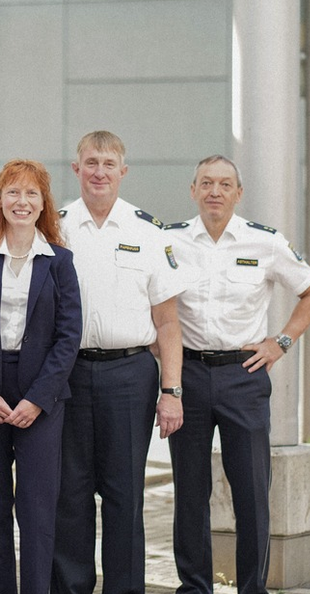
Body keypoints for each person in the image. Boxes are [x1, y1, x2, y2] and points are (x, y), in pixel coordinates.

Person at [165, 155, 310, 594]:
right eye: (207, 183)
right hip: (188, 376)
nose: (215, 191)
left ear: (239, 193)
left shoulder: (265, 242)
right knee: (190, 493)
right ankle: (195, 587)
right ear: (192, 190)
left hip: (244, 376)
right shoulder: (169, 241)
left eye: (225, 184)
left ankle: (252, 588)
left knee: (251, 492)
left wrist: (282, 342)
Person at [52, 130, 184, 594]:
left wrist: (171, 391)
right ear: (76, 169)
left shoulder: (148, 232)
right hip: (65, 373)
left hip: (130, 376)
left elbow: (168, 323)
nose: (99, 172)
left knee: (125, 494)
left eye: (109, 164)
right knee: (69, 494)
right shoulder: (56, 226)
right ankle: (70, 587)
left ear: (123, 171)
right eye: (91, 162)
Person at [0, 159, 82, 593]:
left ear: (43, 203)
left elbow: (69, 336)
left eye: (31, 194)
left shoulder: (59, 261)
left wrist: (38, 399)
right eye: (12, 192)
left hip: (40, 395)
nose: (21, 201)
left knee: (38, 509)